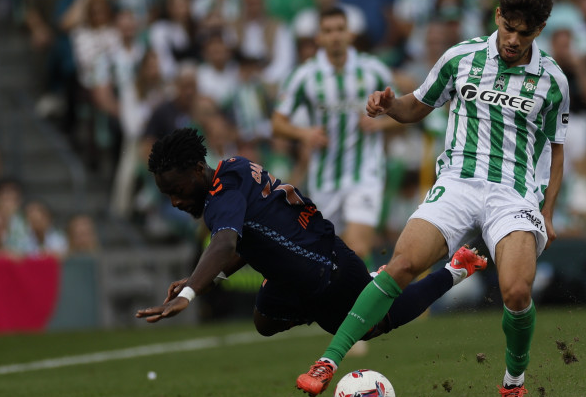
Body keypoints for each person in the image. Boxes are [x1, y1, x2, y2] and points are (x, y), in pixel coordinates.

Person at [296, 0, 567, 397]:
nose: (514, 39)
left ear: (539, 29)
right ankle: (329, 358)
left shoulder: (553, 80)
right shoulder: (460, 58)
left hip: (513, 193)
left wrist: (548, 212)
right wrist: (388, 105)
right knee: (401, 264)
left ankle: (513, 385)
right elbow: (415, 106)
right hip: (458, 183)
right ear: (497, 15)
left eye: (525, 31)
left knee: (516, 292)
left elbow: (556, 152)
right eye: (508, 27)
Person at [135, 128, 487, 344]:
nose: (176, 201)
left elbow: (225, 242)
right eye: (168, 195)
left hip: (327, 266)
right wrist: (213, 276)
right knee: (264, 321)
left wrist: (189, 292)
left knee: (374, 326)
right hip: (295, 273)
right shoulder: (235, 168)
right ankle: (344, 295)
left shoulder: (219, 197)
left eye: (178, 190)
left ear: (199, 169)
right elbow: (245, 240)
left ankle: (455, 269)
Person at [272, 7, 398, 263]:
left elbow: (403, 114)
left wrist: (381, 125)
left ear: (350, 33)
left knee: (357, 250)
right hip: (324, 178)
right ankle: (348, 302)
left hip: (365, 172)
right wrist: (303, 133)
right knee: (330, 255)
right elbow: (277, 123)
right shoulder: (304, 76)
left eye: (340, 29)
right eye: (328, 31)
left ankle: (362, 302)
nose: (335, 36)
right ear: (319, 37)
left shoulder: (373, 70)